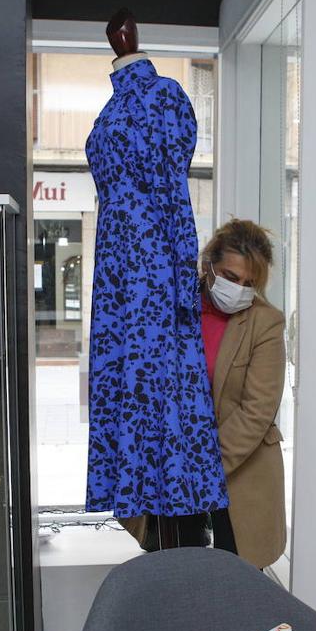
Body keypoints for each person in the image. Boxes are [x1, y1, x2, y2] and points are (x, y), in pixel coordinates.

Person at [123, 220, 288, 569]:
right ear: (207, 265)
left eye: (249, 283)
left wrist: (201, 466)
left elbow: (257, 411)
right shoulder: (171, 310)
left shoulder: (265, 323)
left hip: (239, 468)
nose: (238, 288)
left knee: (237, 579)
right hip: (173, 465)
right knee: (180, 572)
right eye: (230, 276)